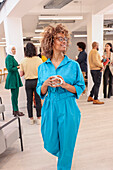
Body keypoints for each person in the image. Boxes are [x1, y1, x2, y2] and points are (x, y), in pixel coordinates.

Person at [36, 24, 85, 170]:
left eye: (65, 39)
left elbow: (80, 87)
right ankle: (63, 153)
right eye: (60, 39)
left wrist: (64, 84)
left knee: (67, 146)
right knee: (50, 142)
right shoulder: (42, 67)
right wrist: (45, 83)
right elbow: (40, 90)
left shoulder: (73, 65)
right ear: (50, 42)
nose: (64, 42)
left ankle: (64, 160)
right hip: (50, 106)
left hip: (68, 106)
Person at [20, 43, 43, 125]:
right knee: (38, 100)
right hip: (37, 81)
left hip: (28, 82)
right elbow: (42, 72)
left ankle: (31, 119)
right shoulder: (39, 60)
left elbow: (21, 74)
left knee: (29, 101)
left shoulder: (23, 61)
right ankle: (39, 118)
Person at [5, 45, 24, 116]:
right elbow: (9, 68)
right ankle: (15, 110)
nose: (14, 51)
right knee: (14, 96)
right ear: (9, 50)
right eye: (13, 49)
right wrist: (18, 67)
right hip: (12, 78)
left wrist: (18, 65)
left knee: (15, 95)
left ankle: (15, 110)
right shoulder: (9, 57)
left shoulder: (11, 57)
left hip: (14, 77)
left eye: (15, 49)